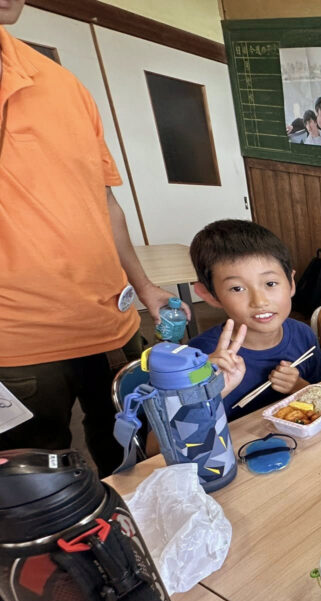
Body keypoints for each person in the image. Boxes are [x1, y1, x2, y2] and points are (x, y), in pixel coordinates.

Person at [0, 0, 189, 477]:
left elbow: (104, 201)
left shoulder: (62, 84)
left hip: (109, 318)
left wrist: (144, 286)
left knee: (135, 441)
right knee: (35, 473)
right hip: (16, 341)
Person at [187, 220, 321, 419]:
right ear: (210, 295)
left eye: (270, 283)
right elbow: (160, 438)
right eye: (237, 288)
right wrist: (207, 395)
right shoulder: (197, 358)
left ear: (291, 283)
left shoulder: (303, 335)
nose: (260, 301)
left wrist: (299, 387)